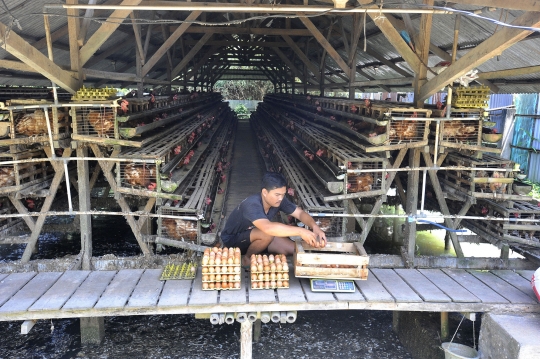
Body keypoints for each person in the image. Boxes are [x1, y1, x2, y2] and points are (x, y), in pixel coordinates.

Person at [220, 172, 327, 266]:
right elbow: (268, 228)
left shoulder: (279, 200)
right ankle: (246, 259)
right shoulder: (252, 205)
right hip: (234, 240)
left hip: (257, 236)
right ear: (265, 192)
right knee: (268, 233)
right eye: (277, 194)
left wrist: (315, 227)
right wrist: (301, 231)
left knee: (294, 250)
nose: (280, 198)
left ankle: (260, 248)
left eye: (283, 194)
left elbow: (300, 213)